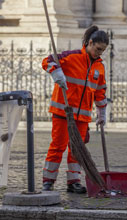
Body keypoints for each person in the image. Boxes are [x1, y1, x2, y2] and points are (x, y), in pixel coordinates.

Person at [41, 25, 109, 193]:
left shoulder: (99, 67)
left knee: (77, 150)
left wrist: (102, 112)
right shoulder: (71, 57)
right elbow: (47, 61)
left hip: (83, 116)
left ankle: (73, 181)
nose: (99, 53)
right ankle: (48, 180)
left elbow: (100, 91)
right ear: (90, 43)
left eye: (103, 51)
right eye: (98, 49)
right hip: (63, 111)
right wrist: (56, 72)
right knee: (58, 146)